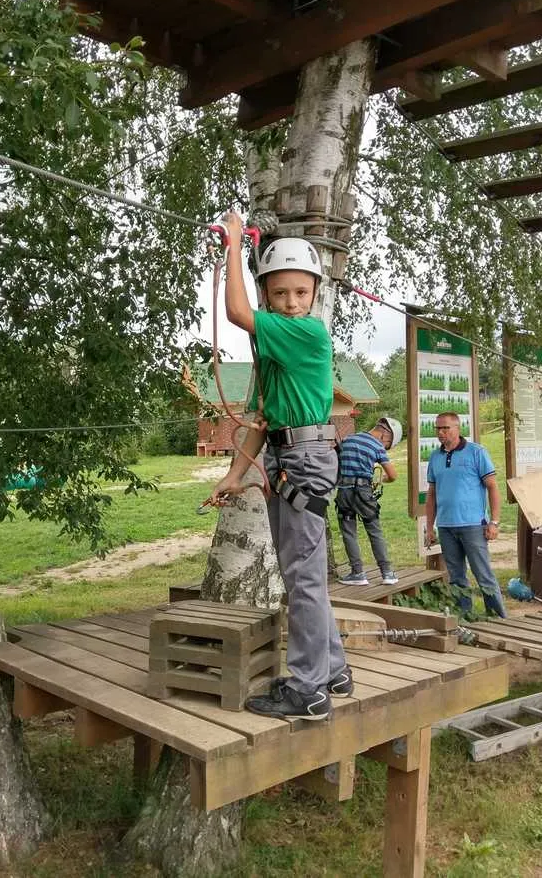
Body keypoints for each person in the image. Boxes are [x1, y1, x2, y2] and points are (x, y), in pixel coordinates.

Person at [207, 211, 347, 721]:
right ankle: (332, 668)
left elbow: (238, 313)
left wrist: (235, 243)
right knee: (302, 572)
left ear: (315, 296)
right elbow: (263, 419)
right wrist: (233, 475)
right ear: (270, 294)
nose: (291, 303)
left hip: (304, 459)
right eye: (281, 294)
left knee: (304, 578)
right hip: (290, 456)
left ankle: (309, 689)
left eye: (301, 293)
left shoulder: (305, 334)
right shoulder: (277, 349)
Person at [423, 412, 507, 618]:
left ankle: (498, 618)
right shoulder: (435, 457)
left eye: (445, 428)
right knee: (456, 577)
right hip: (446, 527)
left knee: (483, 575)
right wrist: (430, 527)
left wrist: (494, 522)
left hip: (473, 526)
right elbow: (431, 495)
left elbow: (493, 488)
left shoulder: (476, 452)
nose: (440, 432)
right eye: (438, 429)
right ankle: (465, 617)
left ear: (458, 428)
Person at [336, 417, 401, 586]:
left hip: (344, 492)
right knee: (374, 531)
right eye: (388, 444)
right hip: (364, 493)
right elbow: (393, 476)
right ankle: (387, 573)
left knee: (349, 532)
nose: (386, 447)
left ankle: (357, 573)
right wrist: (382, 480)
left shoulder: (348, 439)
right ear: (386, 434)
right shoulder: (377, 446)